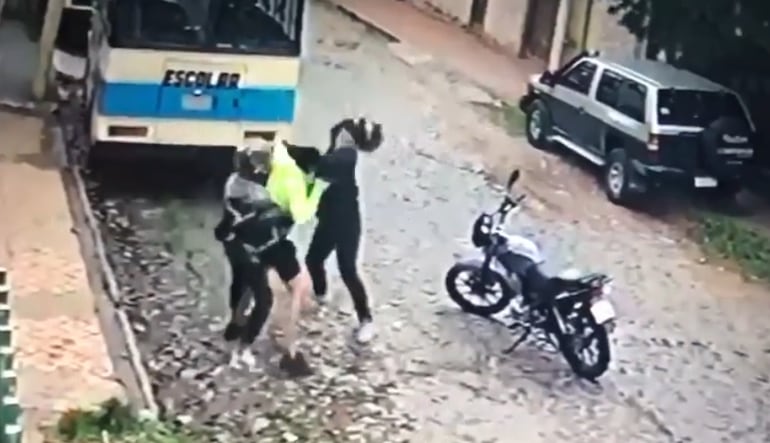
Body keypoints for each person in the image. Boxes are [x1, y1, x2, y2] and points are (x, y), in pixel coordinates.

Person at [215, 138, 327, 373]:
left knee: (297, 287)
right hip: (253, 248)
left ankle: (290, 349)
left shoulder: (278, 182)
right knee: (261, 298)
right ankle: (242, 345)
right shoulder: (242, 190)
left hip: (274, 243)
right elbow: (252, 221)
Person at [302, 117, 383, 344]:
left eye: (349, 133)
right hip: (328, 219)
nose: (342, 133)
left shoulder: (346, 157)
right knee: (313, 260)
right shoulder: (342, 133)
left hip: (347, 222)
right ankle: (321, 296)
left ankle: (366, 320)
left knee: (347, 269)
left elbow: (320, 167)